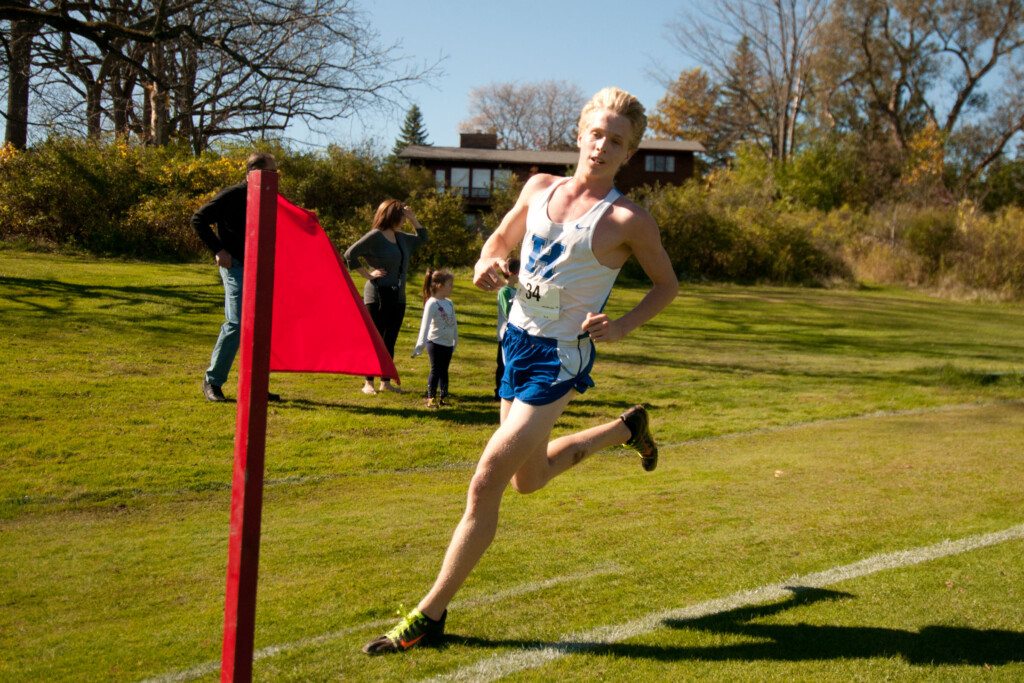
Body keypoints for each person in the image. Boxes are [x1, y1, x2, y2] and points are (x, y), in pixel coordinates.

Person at [362, 87, 679, 654]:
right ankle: (626, 430)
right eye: (598, 133)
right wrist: (486, 263)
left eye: (618, 141)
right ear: (581, 134)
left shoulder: (629, 219)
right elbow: (498, 241)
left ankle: (429, 614)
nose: (604, 146)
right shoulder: (538, 188)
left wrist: (624, 326)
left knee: (485, 479)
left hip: (559, 359)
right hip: (513, 342)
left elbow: (667, 286)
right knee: (525, 480)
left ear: (628, 154)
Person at [192, 152, 281, 403]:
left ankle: (256, 385)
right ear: (255, 173)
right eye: (271, 172)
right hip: (236, 266)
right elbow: (198, 219)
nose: (275, 177)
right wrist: (219, 249)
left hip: (260, 267)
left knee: (259, 327)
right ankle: (213, 381)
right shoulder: (232, 195)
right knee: (238, 323)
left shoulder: (269, 196)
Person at [344, 200, 428, 395]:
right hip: (377, 295)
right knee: (376, 339)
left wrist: (413, 217)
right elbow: (350, 254)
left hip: (398, 296)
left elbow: (423, 238)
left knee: (390, 340)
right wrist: (368, 275)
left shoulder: (401, 238)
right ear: (390, 216)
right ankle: (368, 383)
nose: (403, 220)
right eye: (401, 216)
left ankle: (385, 382)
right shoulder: (376, 236)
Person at [411, 269, 458, 408]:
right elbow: (424, 327)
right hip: (435, 343)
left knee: (444, 371)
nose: (452, 288)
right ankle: (430, 398)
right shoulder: (432, 303)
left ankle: (444, 398)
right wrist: (419, 347)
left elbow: (454, 324)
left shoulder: (449, 303)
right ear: (440, 286)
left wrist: (455, 341)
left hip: (448, 344)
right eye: (450, 284)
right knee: (436, 370)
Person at [494, 258, 520, 400]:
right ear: (514, 273)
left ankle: (512, 390)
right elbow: (508, 312)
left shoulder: (517, 290)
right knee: (503, 364)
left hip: (516, 334)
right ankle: (499, 392)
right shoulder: (505, 291)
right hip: (505, 334)